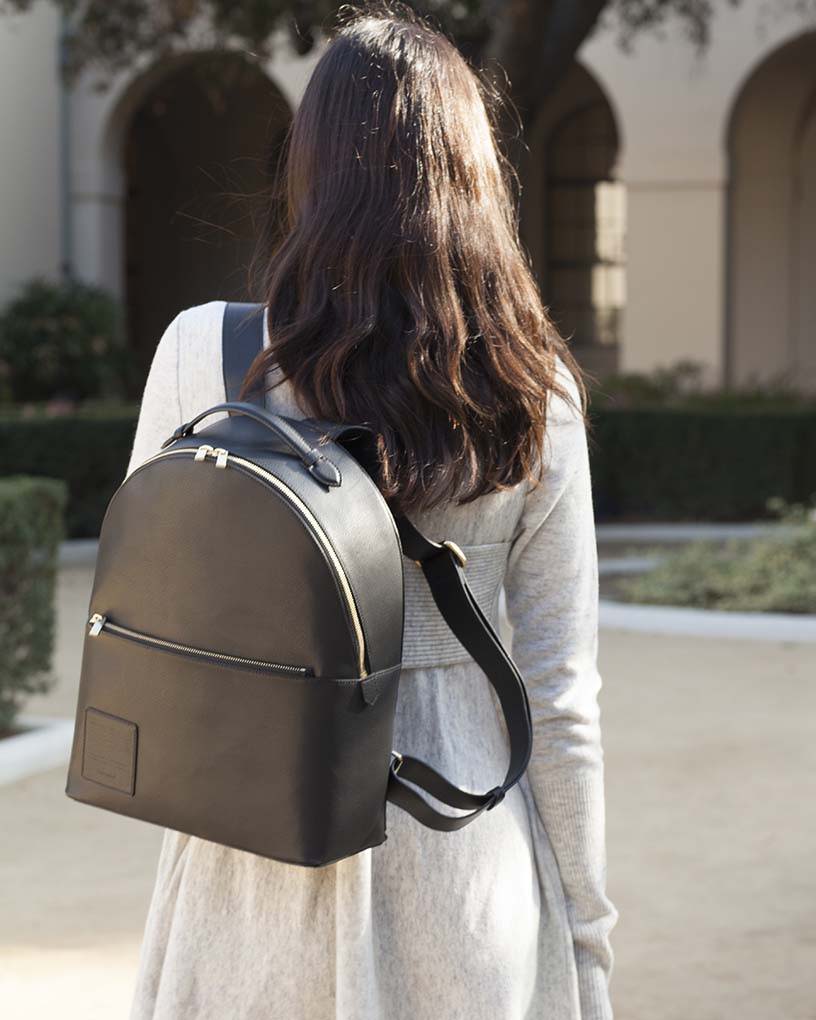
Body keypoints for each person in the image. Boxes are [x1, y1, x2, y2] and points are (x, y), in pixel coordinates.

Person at [126, 7, 617, 1019]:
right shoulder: (534, 389)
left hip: (255, 843)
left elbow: (153, 603)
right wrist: (586, 934)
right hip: (459, 845)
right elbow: (563, 697)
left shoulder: (207, 356)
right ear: (471, 177)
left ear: (311, 168)